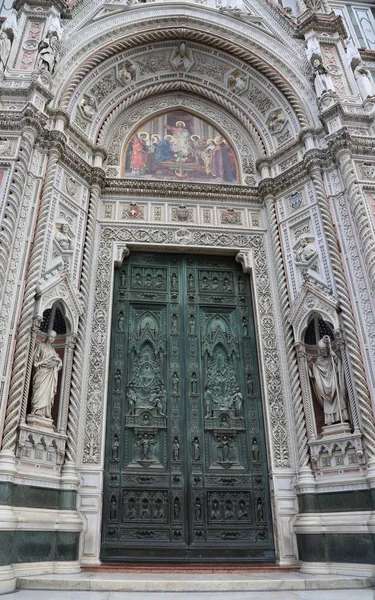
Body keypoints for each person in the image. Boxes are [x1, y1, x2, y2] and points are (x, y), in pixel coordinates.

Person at [308, 335, 349, 426]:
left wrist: (334, 356)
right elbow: (316, 370)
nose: (323, 352)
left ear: (328, 349)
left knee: (338, 397)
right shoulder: (319, 360)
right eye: (322, 350)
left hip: (334, 382)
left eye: (325, 350)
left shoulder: (332, 357)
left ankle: (341, 418)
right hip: (324, 385)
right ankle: (330, 420)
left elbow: (339, 366)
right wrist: (311, 363)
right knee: (327, 403)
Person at [30, 331, 62, 420]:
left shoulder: (53, 350)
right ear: (47, 336)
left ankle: (45, 412)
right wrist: (40, 364)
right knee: (39, 391)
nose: (52, 339)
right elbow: (35, 359)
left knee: (48, 393)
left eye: (54, 338)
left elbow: (57, 363)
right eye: (51, 337)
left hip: (50, 374)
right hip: (41, 372)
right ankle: (36, 410)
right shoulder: (41, 346)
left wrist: (56, 363)